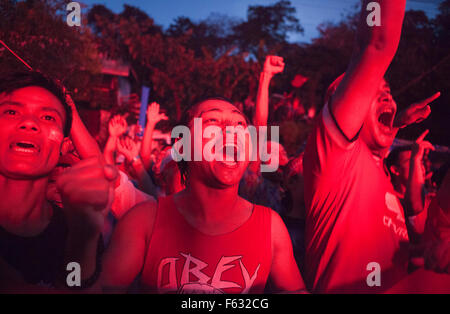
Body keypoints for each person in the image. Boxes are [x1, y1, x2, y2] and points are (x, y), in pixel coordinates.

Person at [100, 97, 306, 294]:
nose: (231, 129)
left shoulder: (270, 226)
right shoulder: (144, 221)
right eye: (213, 120)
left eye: (240, 124)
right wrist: (83, 237)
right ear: (183, 146)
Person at [303, 0, 441, 293]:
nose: (387, 98)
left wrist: (395, 125)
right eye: (371, 91)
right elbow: (375, 46)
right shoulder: (337, 158)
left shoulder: (384, 178)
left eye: (388, 93)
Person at [0, 71, 117, 292]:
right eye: (12, 112)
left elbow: (73, 284)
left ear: (64, 145)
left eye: (47, 117)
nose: (29, 123)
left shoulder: (72, 230)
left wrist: (82, 241)